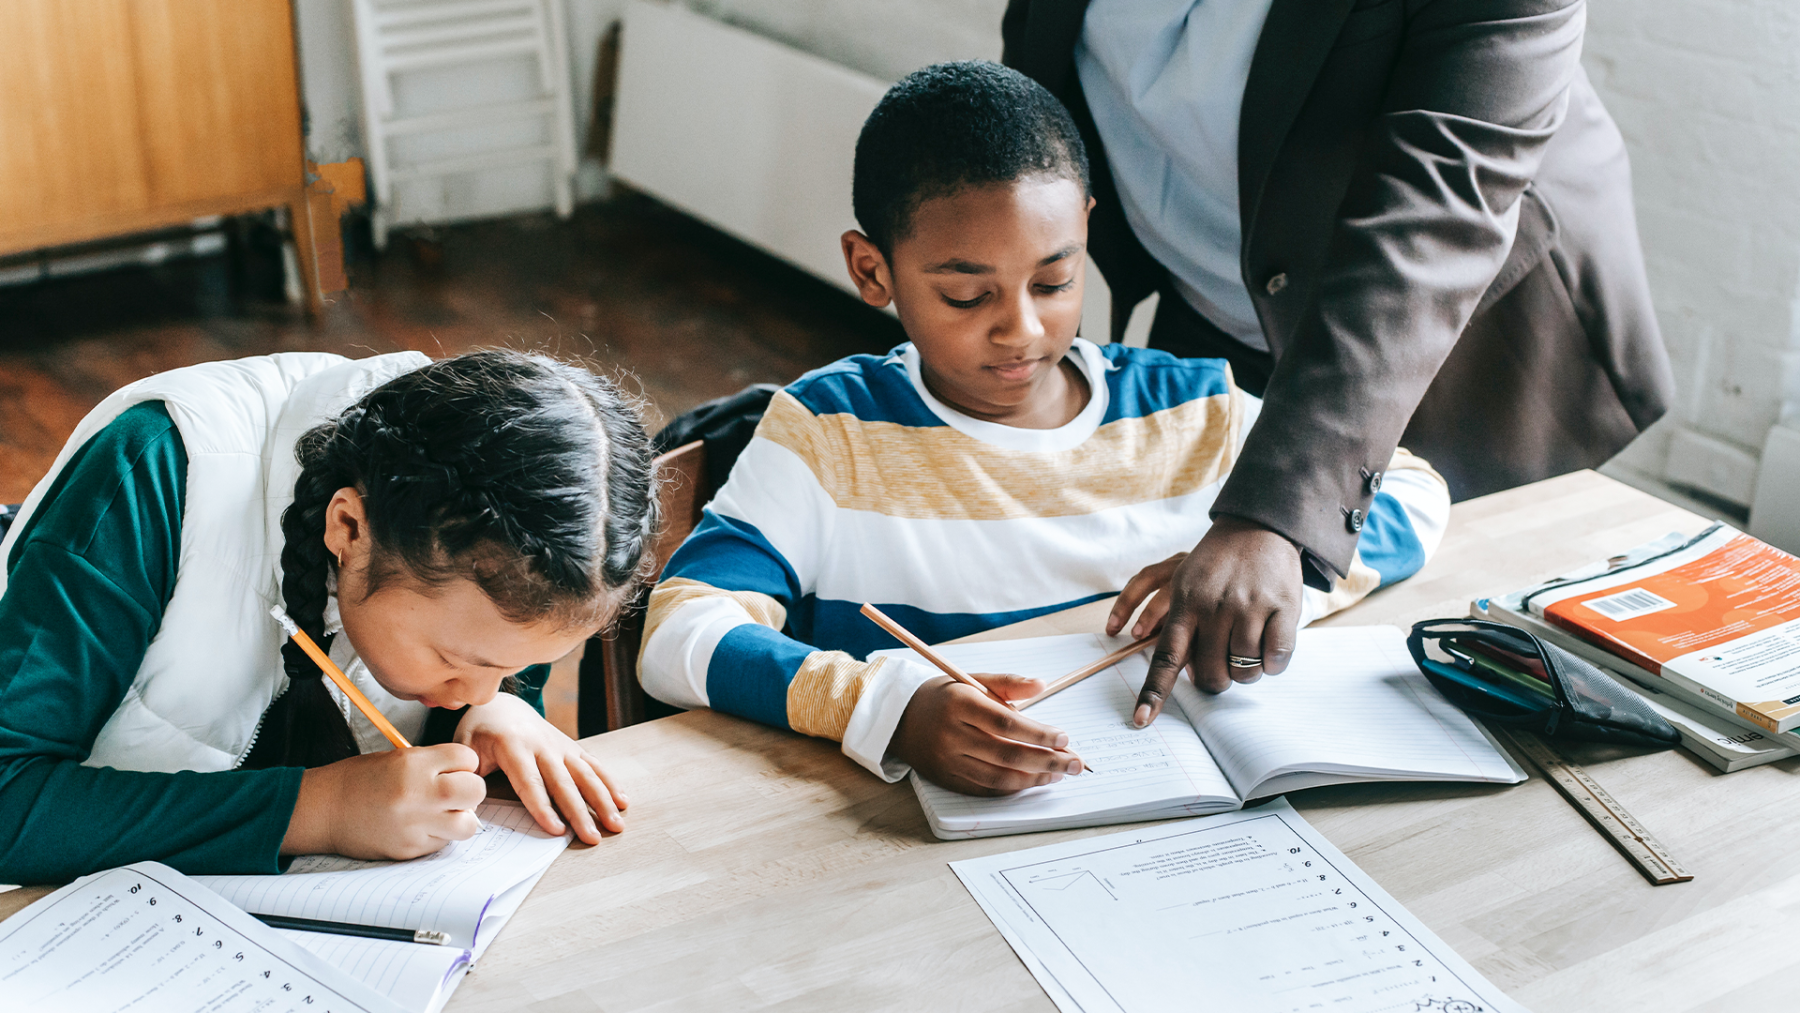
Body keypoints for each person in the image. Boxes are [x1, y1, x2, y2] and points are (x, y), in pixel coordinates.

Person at [637, 61, 1450, 795]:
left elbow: (1413, 491)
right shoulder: (831, 433)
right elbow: (681, 627)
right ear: (872, 269)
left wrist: (1270, 571)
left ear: (1087, 229)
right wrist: (887, 707)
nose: (1021, 328)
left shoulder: (1189, 406)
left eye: (1055, 280)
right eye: (967, 295)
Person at [1001, 0, 1675, 722]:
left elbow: (1435, 219)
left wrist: (1276, 516)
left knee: (1449, 682)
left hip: (1459, 340)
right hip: (1209, 295)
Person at [0, 349, 657, 883]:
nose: (483, 684)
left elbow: (485, 676)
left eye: (520, 667)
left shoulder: (497, 541)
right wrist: (318, 810)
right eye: (460, 663)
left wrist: (495, 713)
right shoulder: (152, 469)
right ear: (348, 527)